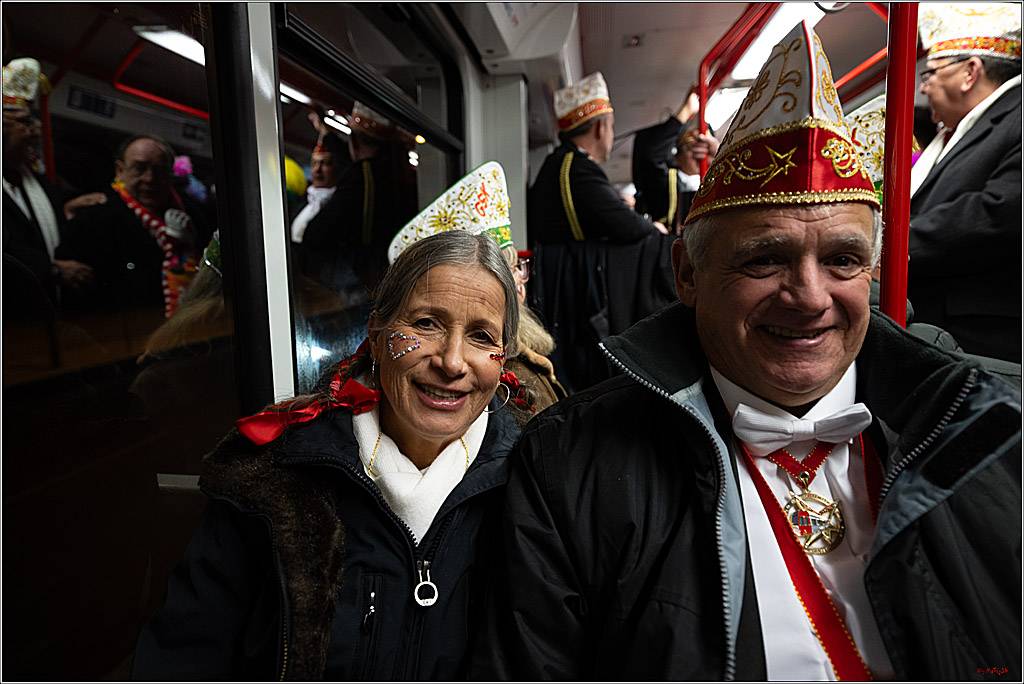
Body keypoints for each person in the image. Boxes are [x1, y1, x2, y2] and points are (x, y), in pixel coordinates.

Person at [473, 20, 1021, 681]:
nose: (809, 298)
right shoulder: (568, 463)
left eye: (843, 259)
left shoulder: (995, 426)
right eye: (765, 259)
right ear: (687, 275)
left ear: (873, 270)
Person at [132, 168, 531, 680]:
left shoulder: (534, 488)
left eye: (481, 336)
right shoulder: (275, 477)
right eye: (426, 324)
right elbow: (186, 655)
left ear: (504, 358)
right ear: (377, 333)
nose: (452, 362)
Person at [528, 72, 677, 394]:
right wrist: (652, 227)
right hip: (574, 289)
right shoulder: (575, 167)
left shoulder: (563, 163)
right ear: (601, 128)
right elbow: (626, 226)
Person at [908, 2, 1021, 362]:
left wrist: (891, 245)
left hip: (984, 341)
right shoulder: (958, 131)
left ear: (970, 72)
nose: (923, 88)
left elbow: (999, 212)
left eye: (930, 73)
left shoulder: (1016, 117)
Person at [57, 132, 213, 318]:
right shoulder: (93, 220)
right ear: (120, 170)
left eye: (160, 170)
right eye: (140, 168)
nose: (150, 178)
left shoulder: (195, 216)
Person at [3, 57, 103, 310]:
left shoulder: (33, 182)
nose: (35, 132)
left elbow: (56, 205)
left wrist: (72, 205)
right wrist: (51, 269)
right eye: (25, 123)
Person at [299, 101, 417, 296]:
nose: (319, 170)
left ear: (353, 141)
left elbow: (316, 236)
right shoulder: (400, 175)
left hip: (365, 282)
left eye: (326, 164)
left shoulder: (362, 177)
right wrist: (327, 134)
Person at [632, 88, 720, 232]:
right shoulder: (665, 180)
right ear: (676, 156)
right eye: (693, 150)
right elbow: (651, 154)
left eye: (705, 151)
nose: (700, 156)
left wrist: (719, 155)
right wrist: (685, 112)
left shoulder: (718, 181)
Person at [290, 115, 347, 244]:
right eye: (314, 164)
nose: (318, 169)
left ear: (337, 169)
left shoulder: (340, 205)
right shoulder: (300, 204)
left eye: (325, 163)